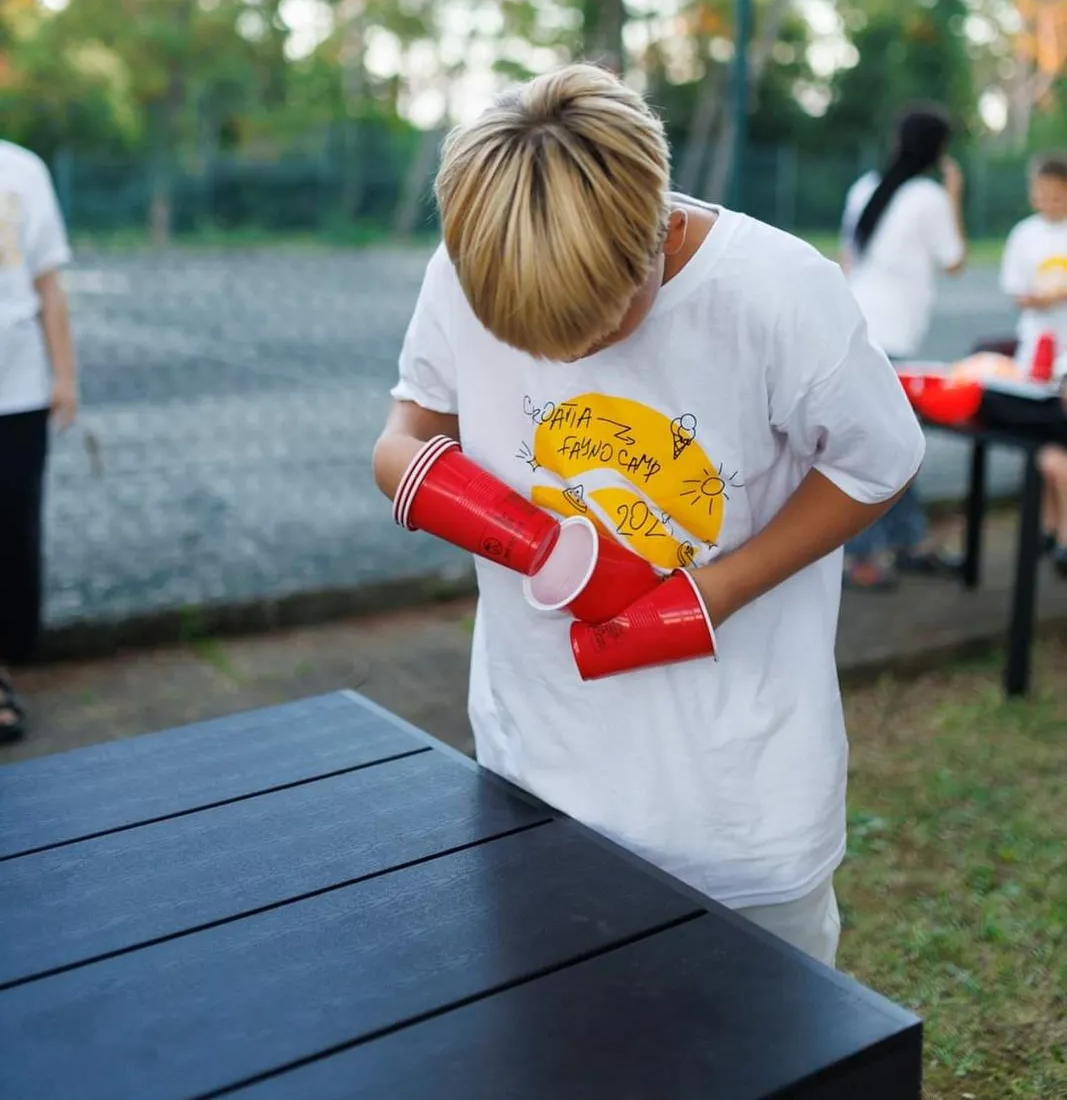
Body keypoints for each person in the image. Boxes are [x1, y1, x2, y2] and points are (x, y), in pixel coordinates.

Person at [373, 65, 923, 966]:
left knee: (764, 1031)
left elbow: (879, 460)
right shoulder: (475, 262)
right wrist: (521, 534)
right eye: (529, 338)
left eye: (597, 328)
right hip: (532, 768)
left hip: (737, 807)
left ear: (662, 231)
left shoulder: (778, 292)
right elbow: (406, 434)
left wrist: (715, 592)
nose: (567, 357)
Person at [838, 105, 966, 589]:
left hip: (856, 324)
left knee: (893, 442)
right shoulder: (929, 197)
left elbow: (846, 257)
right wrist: (955, 193)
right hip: (888, 335)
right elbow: (954, 259)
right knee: (880, 447)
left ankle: (909, 541)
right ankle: (863, 554)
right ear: (938, 149)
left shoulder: (865, 187)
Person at [0, 140, 77, 744]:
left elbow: (48, 285)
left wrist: (64, 376)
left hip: (16, 393)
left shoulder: (24, 170)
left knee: (10, 535)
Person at [1000, 151, 1067, 577]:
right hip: (1038, 353)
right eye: (1042, 195)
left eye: (1057, 196)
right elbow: (1017, 292)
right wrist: (1040, 298)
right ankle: (1050, 528)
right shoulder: (1024, 235)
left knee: (1056, 450)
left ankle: (1059, 533)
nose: (1048, 203)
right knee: (1046, 445)